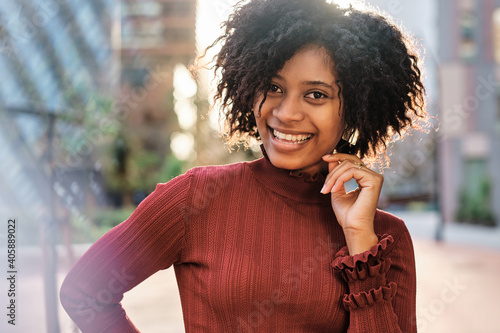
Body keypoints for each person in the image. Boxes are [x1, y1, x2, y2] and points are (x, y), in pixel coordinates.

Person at [60, 0, 428, 332]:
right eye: (273, 87)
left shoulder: (384, 237)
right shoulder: (197, 198)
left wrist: (360, 240)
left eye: (316, 94)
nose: (285, 113)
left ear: (356, 110)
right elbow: (85, 292)